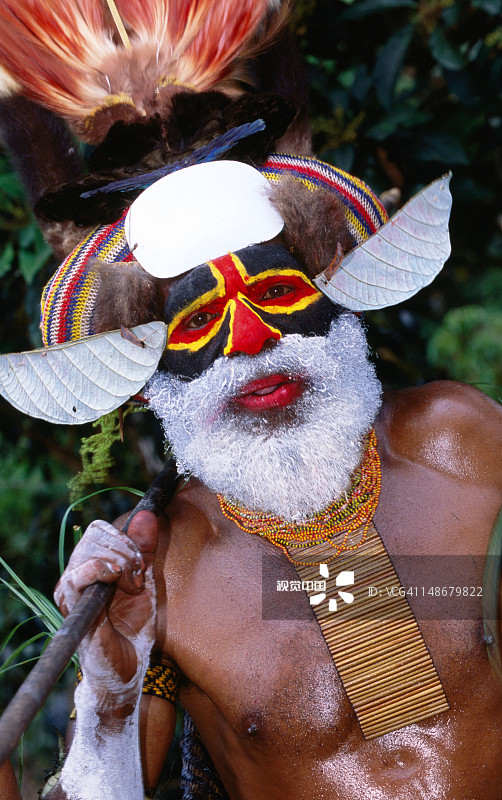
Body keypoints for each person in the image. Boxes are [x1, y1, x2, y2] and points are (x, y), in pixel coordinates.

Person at [37, 159, 502, 800]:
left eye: (278, 294)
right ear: (152, 377)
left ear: (332, 291)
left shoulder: (458, 442)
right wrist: (111, 694)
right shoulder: (155, 567)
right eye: (199, 322)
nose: (253, 339)